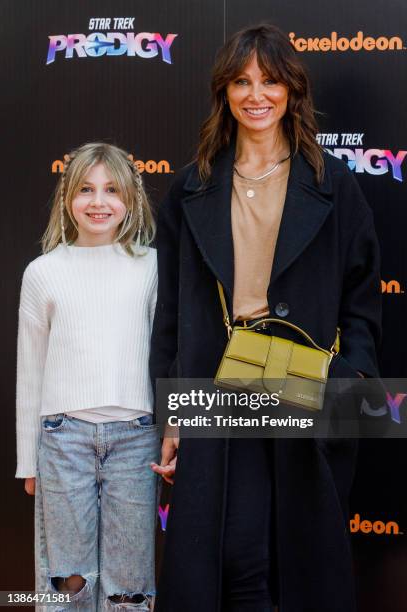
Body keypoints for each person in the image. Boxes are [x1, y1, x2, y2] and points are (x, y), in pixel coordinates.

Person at [149, 24, 382, 612]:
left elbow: (362, 301)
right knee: (235, 556)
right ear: (224, 92)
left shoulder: (335, 184)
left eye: (271, 80)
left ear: (292, 91)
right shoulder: (190, 188)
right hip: (217, 384)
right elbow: (172, 317)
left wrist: (349, 385)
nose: (257, 94)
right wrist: (172, 416)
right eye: (242, 81)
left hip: (304, 384)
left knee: (299, 558)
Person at [16, 142, 159, 611]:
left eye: (111, 189)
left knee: (129, 582)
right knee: (67, 581)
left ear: (131, 200)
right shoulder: (43, 272)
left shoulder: (153, 267)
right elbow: (30, 371)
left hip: (137, 439)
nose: (99, 202)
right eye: (86, 189)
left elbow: (169, 355)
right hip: (62, 441)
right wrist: (27, 460)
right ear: (66, 197)